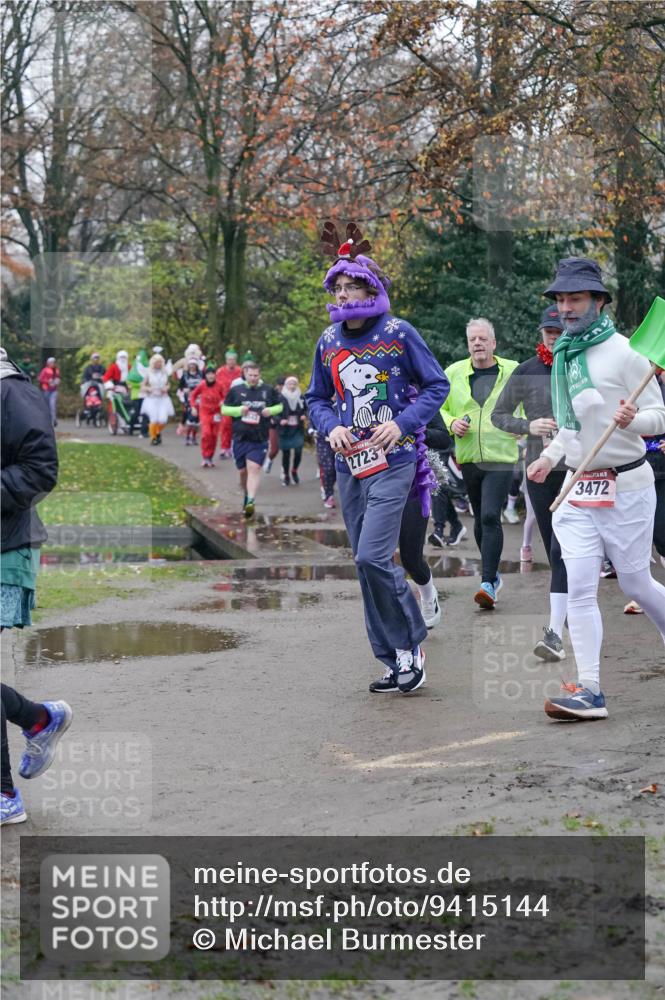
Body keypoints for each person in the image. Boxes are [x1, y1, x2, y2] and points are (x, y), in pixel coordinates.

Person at [306, 226, 448, 694]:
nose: (343, 294)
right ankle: (391, 658)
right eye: (338, 288)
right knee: (364, 564)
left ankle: (411, 646)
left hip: (395, 461)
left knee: (373, 555)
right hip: (349, 464)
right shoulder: (328, 340)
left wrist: (402, 423)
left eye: (352, 286)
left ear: (372, 290)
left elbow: (437, 385)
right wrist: (332, 427)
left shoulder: (398, 332)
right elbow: (316, 398)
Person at [527, 257, 665, 721]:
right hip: (578, 488)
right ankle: (589, 690)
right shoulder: (565, 356)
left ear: (599, 302)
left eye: (575, 299)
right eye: (561, 300)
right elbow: (571, 427)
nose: (565, 308)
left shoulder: (626, 353)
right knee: (580, 587)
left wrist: (635, 419)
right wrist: (549, 459)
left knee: (635, 582)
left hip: (627, 485)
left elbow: (660, 416)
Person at [1, 347, 72, 825]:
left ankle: (4, 795)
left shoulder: (10, 390)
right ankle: (38, 719)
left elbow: (41, 468)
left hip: (5, 548)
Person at [492, 304, 569, 660]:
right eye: (549, 332)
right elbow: (499, 415)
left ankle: (564, 617)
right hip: (540, 468)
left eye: (559, 332)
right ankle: (563, 614)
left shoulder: (579, 366)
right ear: (541, 334)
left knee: (569, 547)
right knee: (554, 544)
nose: (553, 338)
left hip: (579, 466)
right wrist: (528, 426)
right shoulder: (525, 371)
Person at [440, 319, 519, 609]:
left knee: (489, 516)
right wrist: (452, 423)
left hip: (501, 455)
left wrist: (521, 424)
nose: (477, 343)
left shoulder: (512, 370)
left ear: (493, 343)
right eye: (472, 339)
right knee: (479, 520)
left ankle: (487, 583)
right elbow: (439, 407)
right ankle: (493, 575)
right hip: (469, 456)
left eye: (483, 339)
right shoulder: (454, 372)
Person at [398, 409, 449, 630]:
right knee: (375, 556)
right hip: (374, 481)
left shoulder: (419, 399)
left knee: (410, 557)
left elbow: (443, 438)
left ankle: (428, 596)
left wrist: (411, 429)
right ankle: (393, 612)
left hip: (413, 485)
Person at [222, 361, 283, 518]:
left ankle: (250, 502)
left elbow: (280, 406)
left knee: (254, 469)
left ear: (260, 375)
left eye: (256, 375)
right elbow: (224, 409)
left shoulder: (268, 390)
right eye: (250, 375)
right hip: (240, 438)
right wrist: (238, 410)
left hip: (259, 438)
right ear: (245, 374)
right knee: (243, 471)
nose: (253, 378)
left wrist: (270, 410)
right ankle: (246, 494)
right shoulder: (236, 390)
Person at [190, 366, 226, 467]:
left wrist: (223, 402)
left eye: (212, 374)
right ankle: (205, 456)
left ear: (215, 375)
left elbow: (225, 397)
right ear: (205, 375)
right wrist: (193, 407)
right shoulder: (202, 385)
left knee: (214, 435)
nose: (210, 376)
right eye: (208, 374)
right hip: (205, 412)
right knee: (206, 434)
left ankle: (210, 457)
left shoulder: (220, 385)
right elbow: (193, 396)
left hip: (216, 413)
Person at [278, 376, 307, 485]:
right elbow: (275, 413)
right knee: (286, 454)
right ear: (286, 385)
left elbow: (306, 409)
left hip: (297, 429)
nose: (292, 386)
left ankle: (294, 470)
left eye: (294, 384)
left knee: (298, 452)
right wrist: (280, 420)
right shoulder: (280, 397)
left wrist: (304, 415)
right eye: (290, 384)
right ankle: (286, 475)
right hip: (285, 430)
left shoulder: (300, 396)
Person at [140, 353, 174, 445]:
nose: (158, 364)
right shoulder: (148, 373)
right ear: (153, 363)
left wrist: (166, 388)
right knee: (154, 419)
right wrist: (149, 389)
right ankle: (153, 437)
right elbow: (142, 386)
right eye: (157, 362)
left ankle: (157, 432)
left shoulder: (164, 372)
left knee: (163, 420)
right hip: (152, 399)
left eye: (160, 362)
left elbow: (168, 384)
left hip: (163, 399)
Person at [215, 349, 241, 459]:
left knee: (237, 425)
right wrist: (219, 400)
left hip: (238, 401)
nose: (231, 362)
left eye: (233, 360)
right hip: (225, 401)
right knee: (225, 425)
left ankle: (234, 447)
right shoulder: (220, 372)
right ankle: (224, 447)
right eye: (229, 360)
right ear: (226, 360)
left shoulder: (240, 371)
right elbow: (216, 387)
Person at [177, 359, 203, 446]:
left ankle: (194, 437)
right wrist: (185, 390)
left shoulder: (201, 374)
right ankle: (188, 437)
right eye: (191, 365)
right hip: (189, 398)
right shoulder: (185, 375)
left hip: (199, 398)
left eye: (194, 365)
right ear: (188, 366)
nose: (192, 366)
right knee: (190, 418)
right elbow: (181, 387)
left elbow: (205, 384)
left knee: (196, 420)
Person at [37, 356, 61, 426]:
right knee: (46, 405)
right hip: (46, 390)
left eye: (53, 362)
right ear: (48, 363)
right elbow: (40, 379)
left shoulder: (56, 370)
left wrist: (58, 381)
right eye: (51, 362)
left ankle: (54, 419)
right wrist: (47, 381)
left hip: (54, 390)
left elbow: (58, 378)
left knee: (52, 405)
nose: (52, 363)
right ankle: (46, 419)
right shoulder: (45, 370)